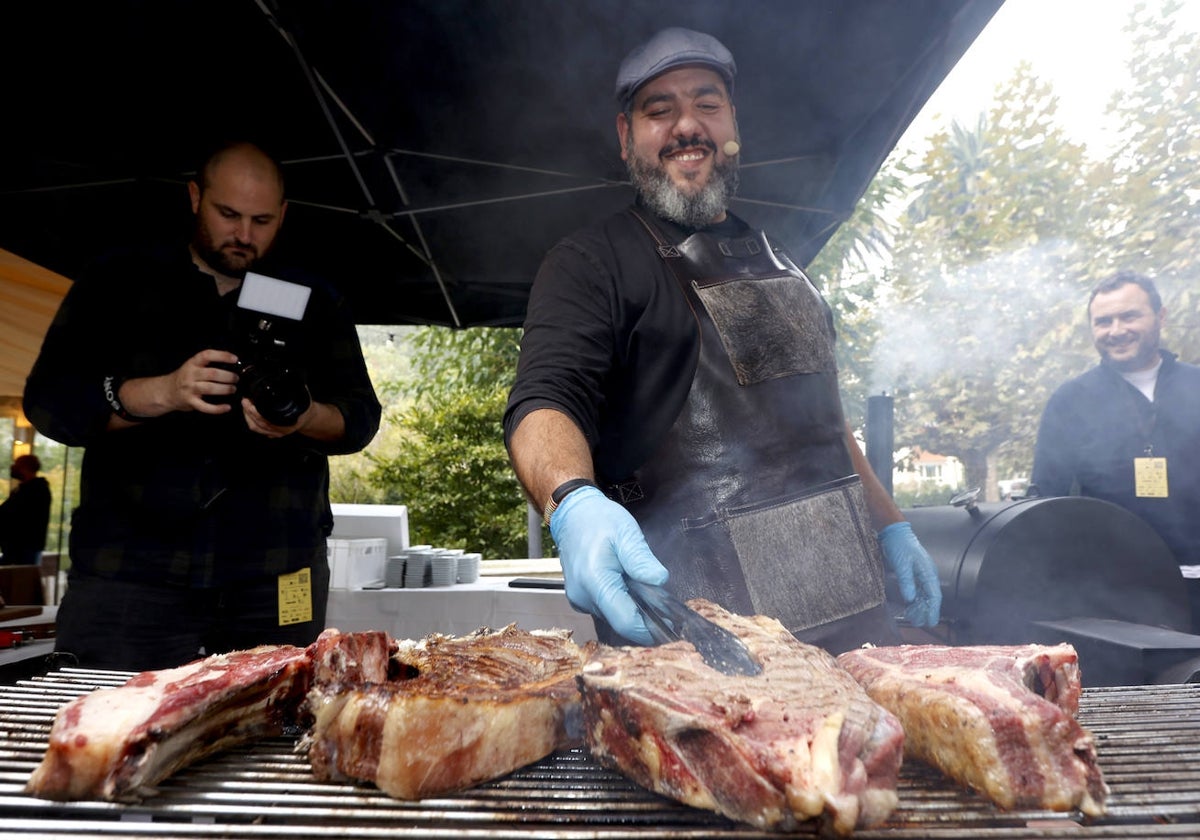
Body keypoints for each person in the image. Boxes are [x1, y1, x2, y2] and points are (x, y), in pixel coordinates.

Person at [503, 28, 941, 653]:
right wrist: (571, 501)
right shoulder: (590, 262)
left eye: (707, 104)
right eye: (660, 110)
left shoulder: (783, 261)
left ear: (733, 123)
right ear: (627, 136)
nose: (688, 126)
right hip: (705, 643)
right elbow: (543, 403)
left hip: (854, 627)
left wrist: (890, 524)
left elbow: (829, 424)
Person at [23, 140, 381, 671]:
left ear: (283, 214)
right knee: (111, 733)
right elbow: (49, 403)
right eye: (228, 214)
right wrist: (161, 392)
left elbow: (360, 419)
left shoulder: (311, 298)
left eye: (262, 220)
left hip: (275, 575)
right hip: (130, 575)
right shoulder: (118, 281)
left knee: (272, 731)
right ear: (195, 197)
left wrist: (304, 417)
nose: (244, 234)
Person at [1032, 270, 1200, 631]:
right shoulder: (1070, 402)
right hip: (1118, 599)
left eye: (1129, 316)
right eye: (1103, 321)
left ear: (1161, 316)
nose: (1116, 330)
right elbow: (1046, 504)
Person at [0, 453, 52, 566]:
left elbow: (14, 515)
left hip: (23, 548)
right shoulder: (24, 490)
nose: (13, 467)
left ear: (25, 468)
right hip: (16, 548)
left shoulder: (35, 491)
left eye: (16, 464)